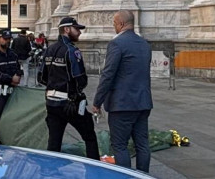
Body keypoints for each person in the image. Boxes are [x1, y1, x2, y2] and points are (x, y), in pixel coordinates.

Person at [93, 10, 153, 173]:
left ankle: (125, 176)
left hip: (122, 104)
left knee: (120, 145)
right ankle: (143, 176)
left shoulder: (116, 44)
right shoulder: (144, 44)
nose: (114, 26)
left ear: (121, 24)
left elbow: (108, 75)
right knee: (142, 144)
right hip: (143, 102)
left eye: (114, 23)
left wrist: (97, 102)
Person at [39, 17, 99, 160]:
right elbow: (80, 79)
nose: (79, 32)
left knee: (54, 142)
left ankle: (50, 170)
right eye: (76, 29)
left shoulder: (49, 50)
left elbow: (41, 77)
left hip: (51, 103)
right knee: (90, 137)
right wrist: (73, 93)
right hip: (70, 103)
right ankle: (95, 168)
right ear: (66, 29)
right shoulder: (72, 50)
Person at [0, 30, 23, 144]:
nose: (7, 41)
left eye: (9, 39)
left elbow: (19, 68)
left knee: (13, 117)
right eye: (5, 39)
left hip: (12, 92)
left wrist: (18, 75)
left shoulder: (13, 54)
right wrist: (10, 79)